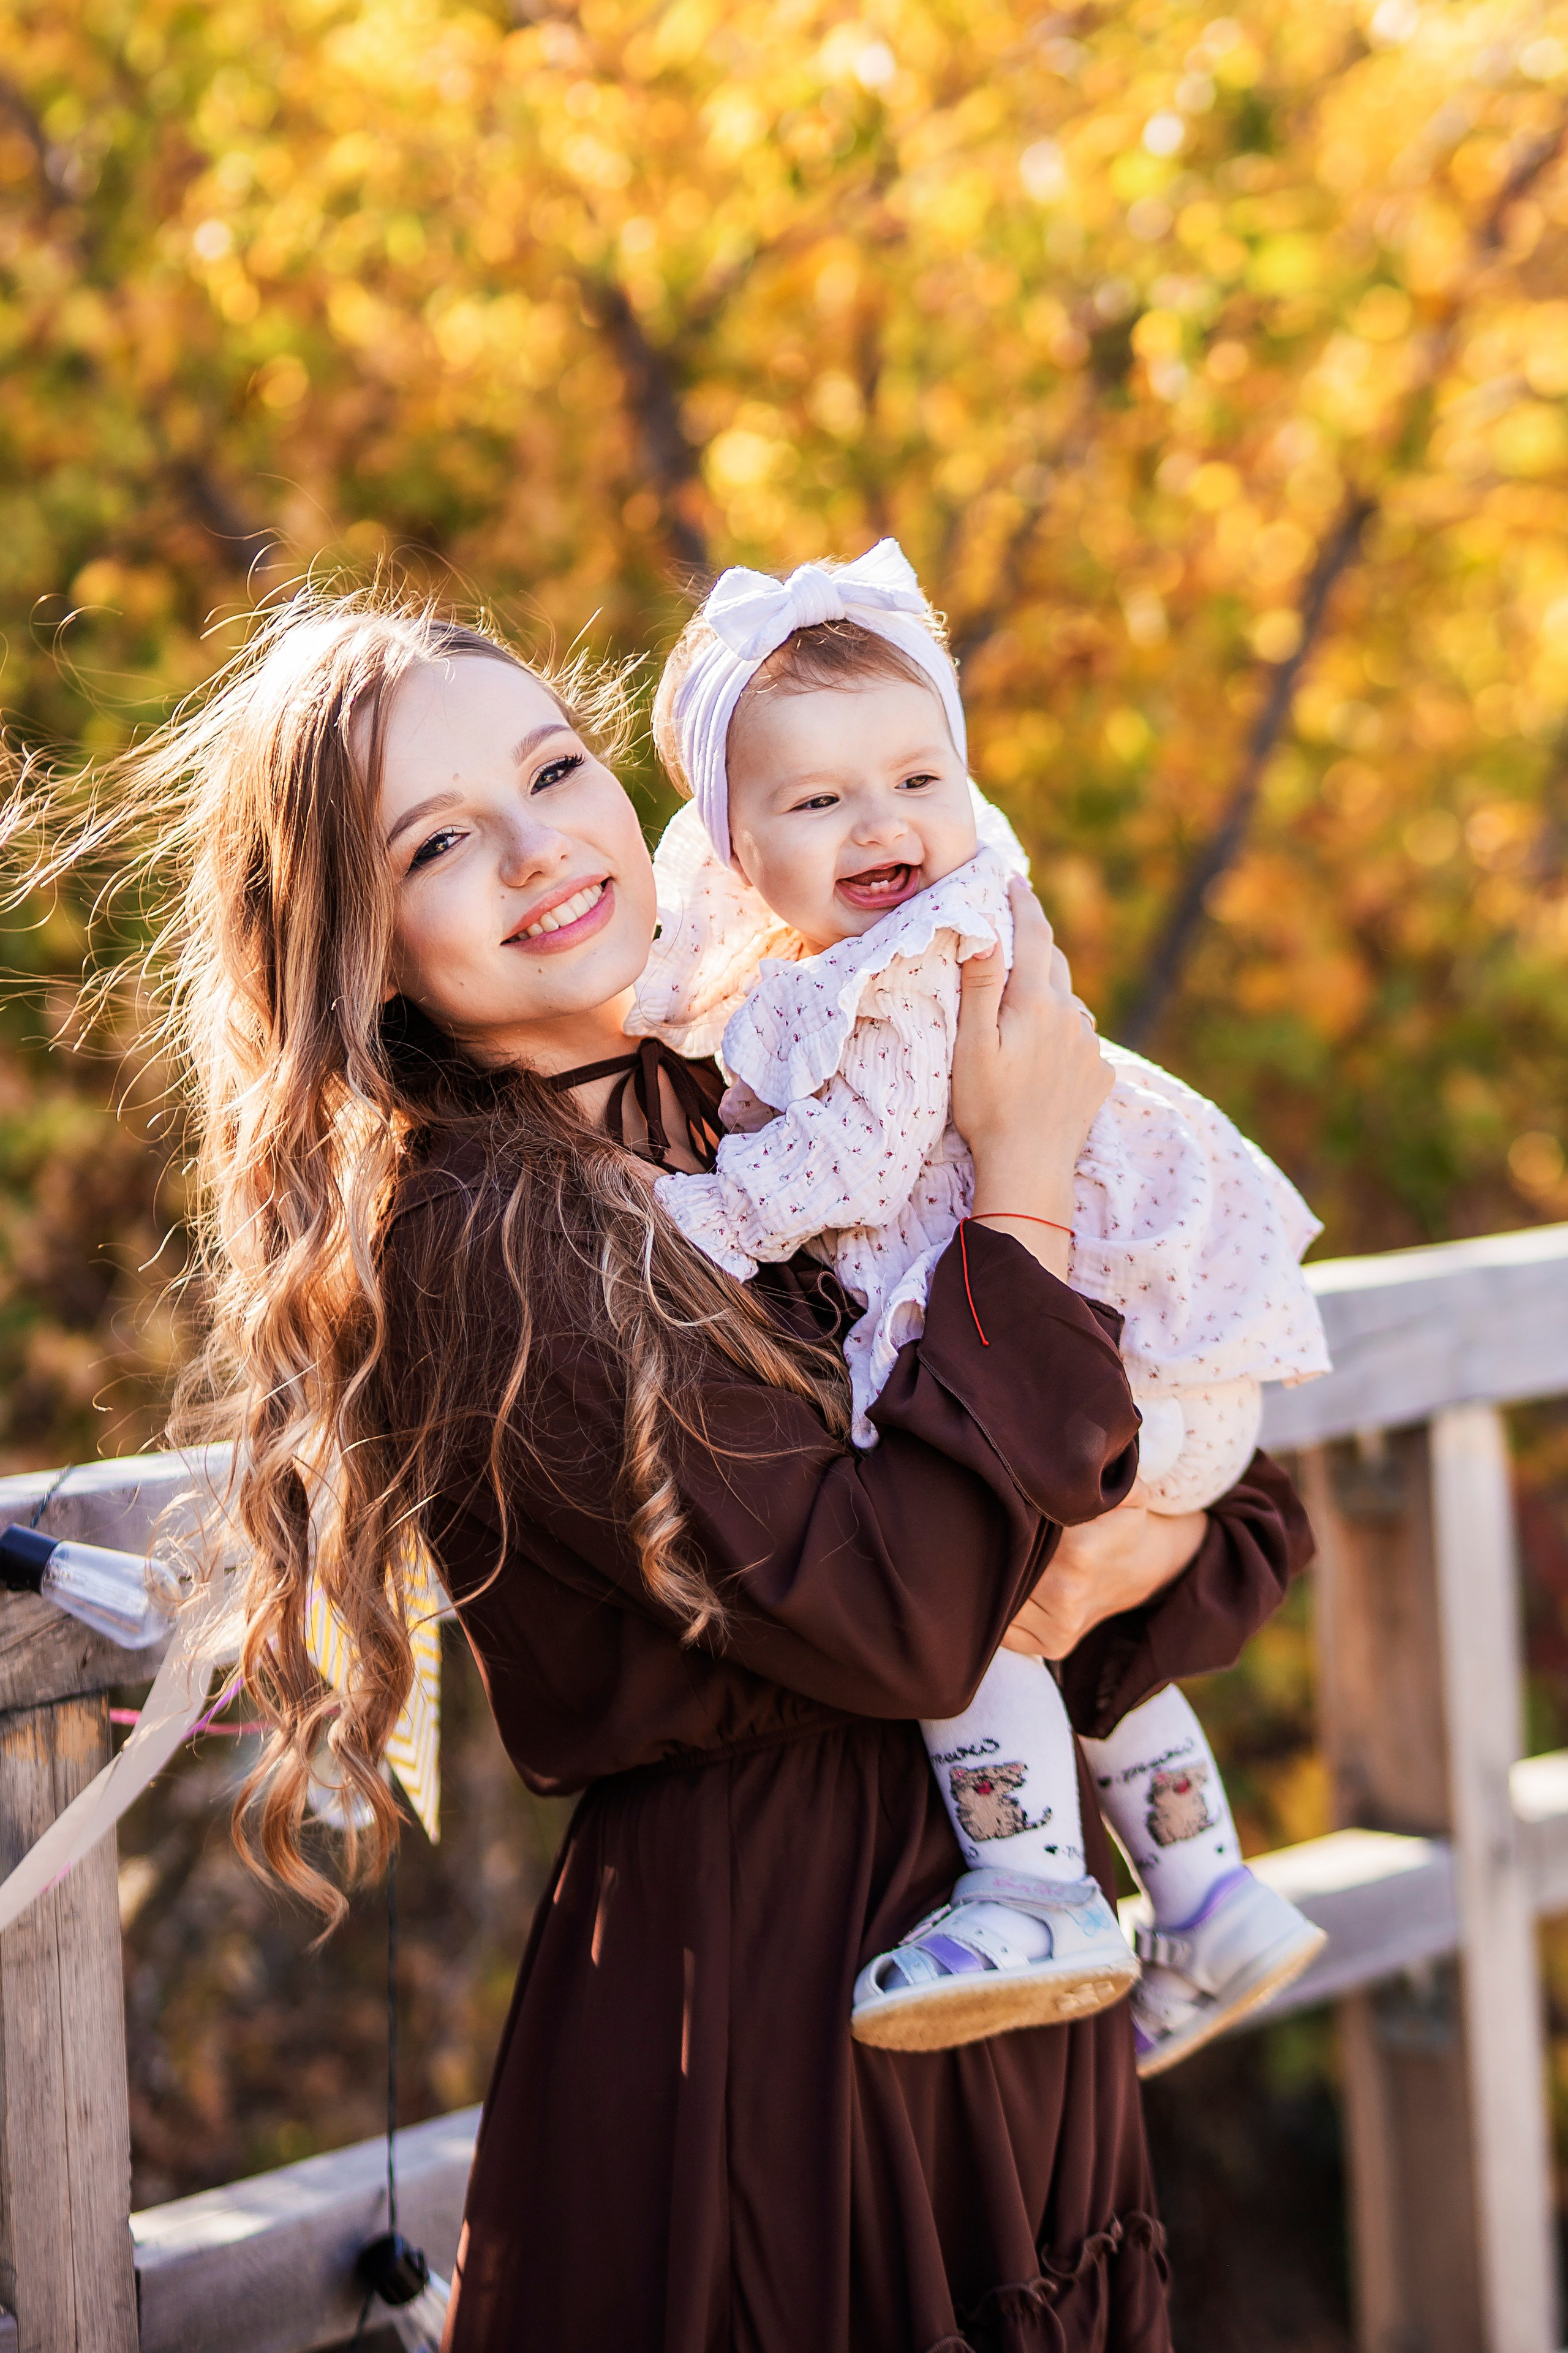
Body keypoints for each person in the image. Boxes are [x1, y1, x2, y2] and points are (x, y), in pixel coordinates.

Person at [61, 591, 1312, 2353]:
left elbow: (1245, 1486)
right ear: (362, 945)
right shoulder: (489, 1234)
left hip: (1012, 1972)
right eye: (436, 839)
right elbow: (895, 1624)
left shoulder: (778, 1077)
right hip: (780, 2010)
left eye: (554, 769)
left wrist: (1128, 1546)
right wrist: (1019, 1187)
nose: (536, 848)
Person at [638, 539, 1327, 2072]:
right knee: (1084, 1607)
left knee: (983, 1579)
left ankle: (1033, 1883)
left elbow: (862, 1149)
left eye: (913, 778)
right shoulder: (916, 941)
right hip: (1177, 1367)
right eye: (816, 802)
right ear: (733, 852)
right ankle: (1206, 1890)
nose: (881, 823)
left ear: (965, 778)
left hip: (1122, 1351)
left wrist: (699, 1213)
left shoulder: (914, 955)